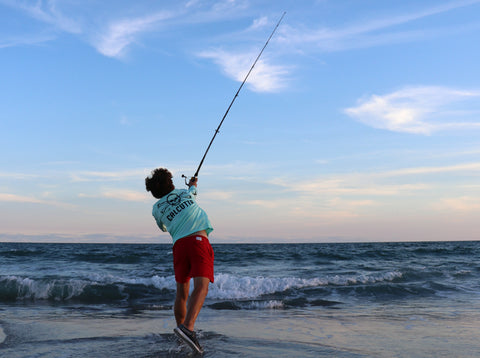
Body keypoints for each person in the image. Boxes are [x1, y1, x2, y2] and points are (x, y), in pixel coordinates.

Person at [145, 167, 214, 354]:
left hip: (179, 247)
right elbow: (192, 191)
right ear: (171, 182)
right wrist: (192, 185)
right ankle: (188, 328)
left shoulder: (156, 209)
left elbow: (164, 227)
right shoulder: (185, 194)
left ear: (154, 192)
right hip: (198, 241)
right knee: (202, 286)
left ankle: (181, 335)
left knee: (181, 293)